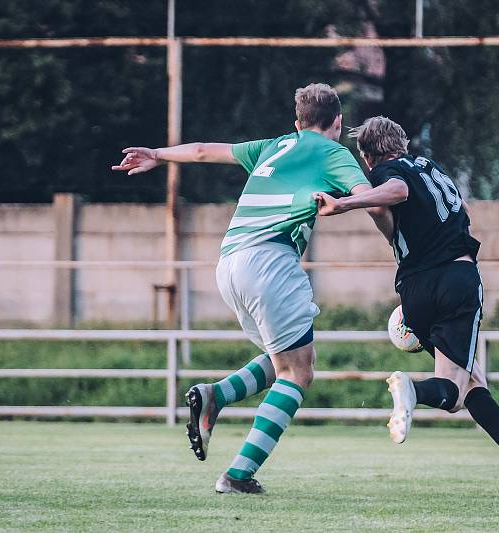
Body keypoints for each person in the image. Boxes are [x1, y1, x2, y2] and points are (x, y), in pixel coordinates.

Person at [112, 83, 372, 494]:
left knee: (283, 357)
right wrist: (351, 203)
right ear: (338, 123)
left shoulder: (273, 146)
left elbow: (200, 151)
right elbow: (368, 196)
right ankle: (237, 475)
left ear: (297, 123)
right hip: (270, 261)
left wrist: (157, 155)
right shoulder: (334, 153)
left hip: (229, 263)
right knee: (298, 372)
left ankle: (214, 395)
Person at [313, 116, 499, 494]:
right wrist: (347, 204)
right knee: (451, 390)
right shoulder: (429, 168)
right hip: (455, 281)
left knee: (470, 383)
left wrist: (345, 202)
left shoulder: (387, 172)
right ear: (402, 142)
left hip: (414, 291)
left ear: (367, 157)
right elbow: (400, 190)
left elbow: (394, 193)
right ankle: (412, 390)